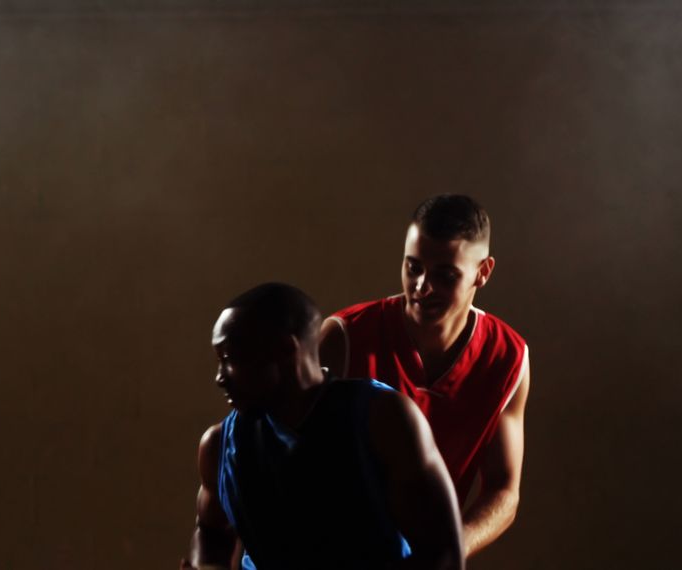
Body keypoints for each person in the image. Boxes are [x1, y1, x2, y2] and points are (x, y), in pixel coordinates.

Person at [185, 283, 465, 570]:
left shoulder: (383, 418)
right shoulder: (219, 446)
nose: (220, 377)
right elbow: (210, 532)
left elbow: (443, 554)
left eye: (230, 359)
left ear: (285, 350)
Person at [319, 195, 530, 558]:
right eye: (413, 267)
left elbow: (503, 490)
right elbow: (278, 463)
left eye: (444, 275)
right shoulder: (345, 338)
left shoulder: (508, 357)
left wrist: (445, 551)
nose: (421, 286)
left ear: (483, 271)